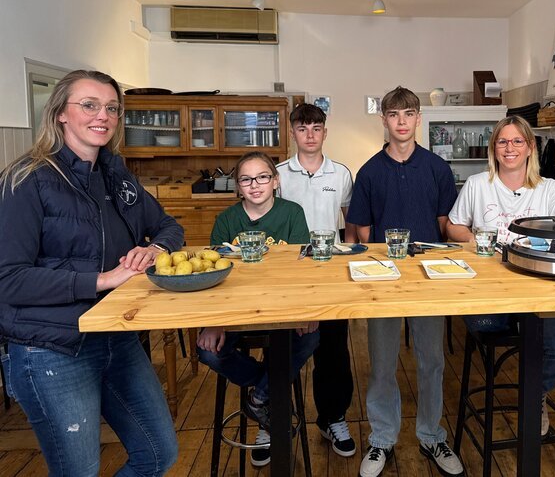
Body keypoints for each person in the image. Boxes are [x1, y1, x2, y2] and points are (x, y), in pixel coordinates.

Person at [0, 70, 182, 475]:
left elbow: (169, 226)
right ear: (60, 113)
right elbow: (8, 279)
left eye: (112, 108)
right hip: (51, 348)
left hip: (116, 334)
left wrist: (154, 249)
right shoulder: (26, 179)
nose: (103, 115)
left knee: (158, 453)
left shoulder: (116, 175)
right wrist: (102, 280)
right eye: (89, 105)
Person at [347, 86, 464, 477]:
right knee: (382, 364)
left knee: (432, 362)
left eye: (408, 114)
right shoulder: (369, 172)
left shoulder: (437, 168)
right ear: (384, 119)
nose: (401, 121)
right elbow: (364, 233)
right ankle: (382, 439)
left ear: (418, 118)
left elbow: (446, 226)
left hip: (428, 279)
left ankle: (432, 435)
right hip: (383, 279)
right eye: (394, 114)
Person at [446, 115, 555, 436]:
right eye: (503, 142)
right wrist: (476, 240)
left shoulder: (549, 189)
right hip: (490, 290)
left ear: (530, 147)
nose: (510, 148)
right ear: (493, 148)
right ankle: (526, 340)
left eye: (518, 141)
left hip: (538, 290)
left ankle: (534, 393)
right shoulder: (478, 184)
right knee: (485, 324)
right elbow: (453, 226)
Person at [197, 151, 319, 468]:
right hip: (237, 311)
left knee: (311, 337)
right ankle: (270, 391)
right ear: (237, 186)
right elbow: (213, 274)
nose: (255, 185)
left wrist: (305, 311)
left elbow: (302, 270)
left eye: (262, 177)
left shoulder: (292, 213)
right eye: (246, 179)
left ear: (275, 181)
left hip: (281, 308)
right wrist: (215, 321)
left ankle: (260, 399)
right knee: (208, 352)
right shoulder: (226, 220)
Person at [276, 103, 358, 457]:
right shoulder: (278, 174)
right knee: (282, 350)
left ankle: (332, 417)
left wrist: (349, 255)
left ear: (325, 132)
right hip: (288, 276)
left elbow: (351, 220)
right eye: (302, 128)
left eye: (316, 128)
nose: (309, 135)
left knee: (333, 350)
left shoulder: (341, 174)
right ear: (292, 132)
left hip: (330, 274)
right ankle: (272, 422)